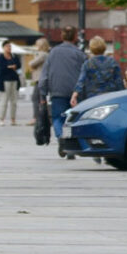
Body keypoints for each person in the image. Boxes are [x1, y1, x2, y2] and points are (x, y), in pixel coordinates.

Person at [38, 26, 87, 157]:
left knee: (58, 118)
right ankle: (70, 144)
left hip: (57, 91)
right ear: (75, 37)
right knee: (73, 120)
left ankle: (62, 138)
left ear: (62, 36)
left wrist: (42, 95)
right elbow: (85, 74)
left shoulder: (52, 53)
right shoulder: (80, 54)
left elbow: (44, 76)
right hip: (75, 93)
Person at [70, 36, 124, 107]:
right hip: (110, 97)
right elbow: (119, 81)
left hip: (93, 98)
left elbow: (81, 81)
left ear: (91, 48)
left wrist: (74, 95)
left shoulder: (88, 63)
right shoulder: (113, 62)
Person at [27, 38, 51, 126]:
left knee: (36, 98)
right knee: (41, 99)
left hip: (40, 79)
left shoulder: (42, 55)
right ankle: (43, 117)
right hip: (43, 79)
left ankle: (36, 117)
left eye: (37, 45)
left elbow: (31, 64)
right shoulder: (47, 54)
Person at [0, 40, 21, 126]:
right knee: (4, 101)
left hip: (14, 80)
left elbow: (18, 65)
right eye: (7, 46)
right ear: (3, 48)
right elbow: (2, 68)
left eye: (10, 46)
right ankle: (2, 119)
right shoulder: (0, 57)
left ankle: (13, 119)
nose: (9, 48)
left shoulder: (14, 56)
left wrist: (13, 67)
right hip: (5, 81)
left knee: (14, 101)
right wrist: (10, 67)